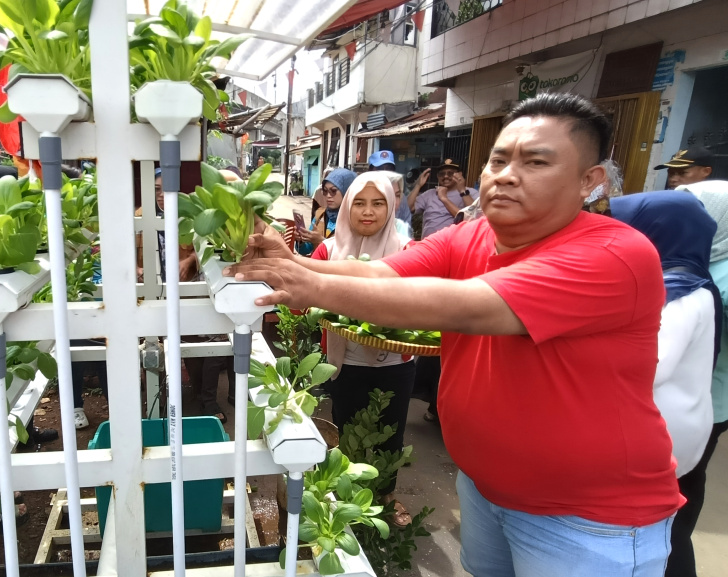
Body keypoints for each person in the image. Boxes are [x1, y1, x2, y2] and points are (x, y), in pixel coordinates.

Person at [231, 92, 682, 576]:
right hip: (486, 490)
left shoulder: (614, 254)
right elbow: (383, 275)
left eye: (535, 162)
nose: (507, 174)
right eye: (498, 159)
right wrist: (293, 262)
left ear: (588, 181)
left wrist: (312, 285)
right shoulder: (472, 234)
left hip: (585, 519)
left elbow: (472, 307)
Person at [612, 191, 721, 577]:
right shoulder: (693, 279)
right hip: (685, 426)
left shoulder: (677, 292)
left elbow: (649, 365)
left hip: (660, 437)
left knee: (652, 535)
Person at [311, 172, 416, 527]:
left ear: (392, 206)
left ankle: (385, 493)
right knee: (346, 426)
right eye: (359, 202)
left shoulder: (407, 250)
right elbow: (303, 299)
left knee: (392, 433)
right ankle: (348, 494)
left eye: (378, 203)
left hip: (396, 363)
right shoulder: (327, 250)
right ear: (347, 206)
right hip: (347, 362)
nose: (368, 212)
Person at [675, 180, 728, 577]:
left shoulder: (717, 272)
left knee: (679, 489)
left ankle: (675, 562)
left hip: (710, 396)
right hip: (685, 393)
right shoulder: (700, 257)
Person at [407, 160, 479, 239]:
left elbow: (474, 217)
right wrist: (418, 185)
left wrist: (458, 192)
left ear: (460, 174)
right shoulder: (429, 194)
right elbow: (408, 208)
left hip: (453, 246)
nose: (445, 176)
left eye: (450, 173)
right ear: (437, 176)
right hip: (428, 245)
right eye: (442, 174)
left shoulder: (470, 193)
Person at [296, 168, 357, 256]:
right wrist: (301, 241)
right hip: (316, 267)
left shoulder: (355, 220)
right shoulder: (320, 214)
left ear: (347, 191)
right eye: (325, 191)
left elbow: (352, 255)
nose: (328, 196)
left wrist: (322, 242)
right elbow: (307, 249)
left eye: (333, 191)